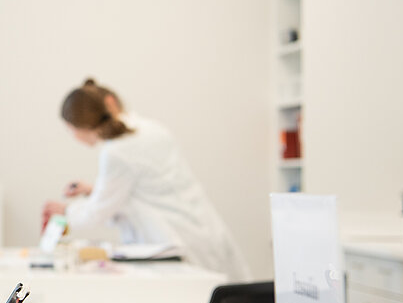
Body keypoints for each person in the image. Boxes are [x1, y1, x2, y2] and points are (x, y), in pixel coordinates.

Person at [42, 79, 251, 281]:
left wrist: (66, 211)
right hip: (202, 232)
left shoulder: (116, 152)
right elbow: (148, 190)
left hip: (174, 246)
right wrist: (93, 189)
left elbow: (97, 213)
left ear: (80, 126)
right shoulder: (153, 129)